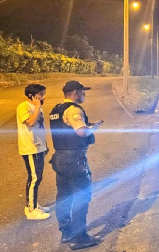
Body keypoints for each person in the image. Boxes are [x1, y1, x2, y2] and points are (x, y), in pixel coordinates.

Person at [49, 80, 103, 250]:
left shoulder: (56, 110)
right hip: (74, 159)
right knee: (82, 196)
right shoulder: (73, 109)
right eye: (82, 91)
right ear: (75, 93)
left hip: (60, 158)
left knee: (64, 196)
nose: (84, 94)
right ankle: (79, 238)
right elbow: (81, 132)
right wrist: (93, 128)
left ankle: (67, 233)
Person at [16, 83, 51, 220]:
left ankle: (34, 204)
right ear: (32, 95)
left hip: (39, 147)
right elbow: (30, 122)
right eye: (41, 94)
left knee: (38, 177)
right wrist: (37, 106)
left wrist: (45, 145)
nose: (43, 97)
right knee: (34, 177)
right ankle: (31, 210)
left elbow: (39, 128)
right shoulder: (23, 106)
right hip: (30, 147)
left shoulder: (38, 108)